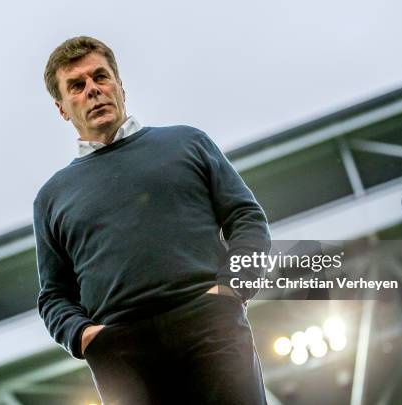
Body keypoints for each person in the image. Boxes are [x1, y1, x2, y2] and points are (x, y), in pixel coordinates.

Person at [33, 36, 271, 405]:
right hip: (121, 352)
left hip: (211, 321)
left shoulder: (188, 142)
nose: (93, 90)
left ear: (120, 85)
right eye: (77, 86)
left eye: (101, 77)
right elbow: (53, 296)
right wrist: (83, 336)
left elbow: (246, 219)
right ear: (62, 108)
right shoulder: (51, 198)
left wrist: (233, 289)